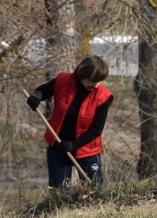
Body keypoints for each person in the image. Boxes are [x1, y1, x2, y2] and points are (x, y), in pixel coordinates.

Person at [26, 55, 113, 187]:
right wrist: (35, 97)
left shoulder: (103, 96)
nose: (95, 85)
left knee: (94, 190)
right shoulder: (63, 81)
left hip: (87, 148)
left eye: (99, 81)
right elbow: (42, 91)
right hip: (58, 144)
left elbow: (96, 130)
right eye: (92, 80)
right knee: (59, 191)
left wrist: (74, 145)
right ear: (82, 75)